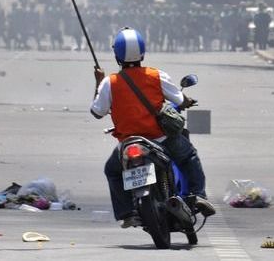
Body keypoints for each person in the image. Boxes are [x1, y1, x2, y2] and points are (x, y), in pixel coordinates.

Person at [90, 27, 215, 228]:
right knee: (189, 156)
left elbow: (97, 112)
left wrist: (98, 82)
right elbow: (180, 99)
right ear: (142, 52)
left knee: (112, 171)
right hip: (161, 139)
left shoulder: (109, 82)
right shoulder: (157, 75)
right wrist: (186, 101)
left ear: (117, 54)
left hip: (129, 144)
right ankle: (197, 195)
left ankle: (127, 213)